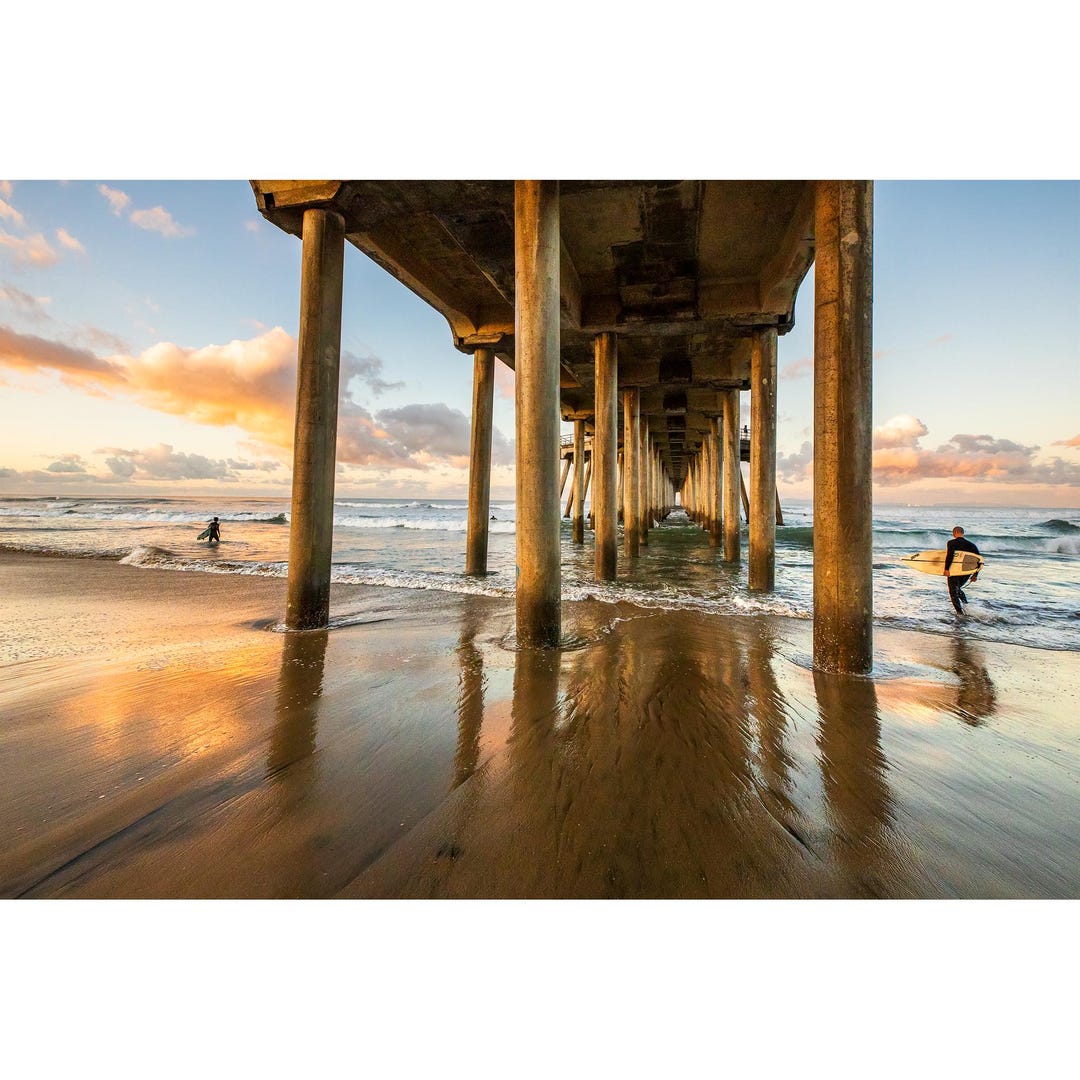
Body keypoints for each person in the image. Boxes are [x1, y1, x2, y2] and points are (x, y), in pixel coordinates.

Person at [943, 526, 979, 614]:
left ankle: (960, 613)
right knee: (957, 589)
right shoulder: (972, 545)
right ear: (962, 533)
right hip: (966, 572)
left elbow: (950, 556)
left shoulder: (952, 543)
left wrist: (946, 569)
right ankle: (966, 606)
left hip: (954, 571)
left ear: (954, 533)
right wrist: (975, 575)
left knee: (953, 592)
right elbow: (979, 560)